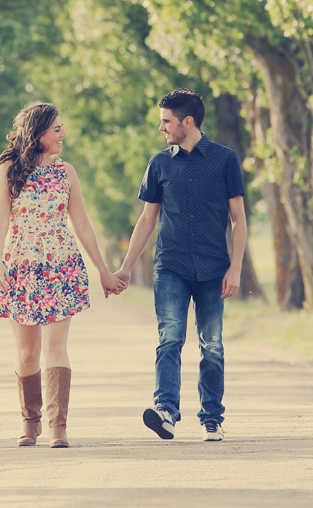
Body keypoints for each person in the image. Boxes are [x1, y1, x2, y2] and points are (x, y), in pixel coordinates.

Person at [0, 102, 124, 448]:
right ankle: (29, 422)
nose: (64, 134)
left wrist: (103, 270)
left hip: (60, 267)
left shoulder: (67, 172)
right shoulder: (9, 169)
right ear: (39, 133)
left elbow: (83, 226)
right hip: (20, 267)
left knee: (55, 346)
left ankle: (57, 425)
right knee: (27, 352)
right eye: (57, 129)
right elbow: (0, 221)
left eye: (63, 128)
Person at [114, 89, 246, 442]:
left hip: (213, 267)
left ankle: (212, 419)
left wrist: (235, 269)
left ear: (188, 122)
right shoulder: (160, 163)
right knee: (169, 339)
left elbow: (239, 219)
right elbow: (146, 220)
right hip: (170, 265)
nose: (162, 127)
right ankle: (166, 412)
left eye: (166, 120)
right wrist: (125, 268)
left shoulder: (225, 160)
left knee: (211, 344)